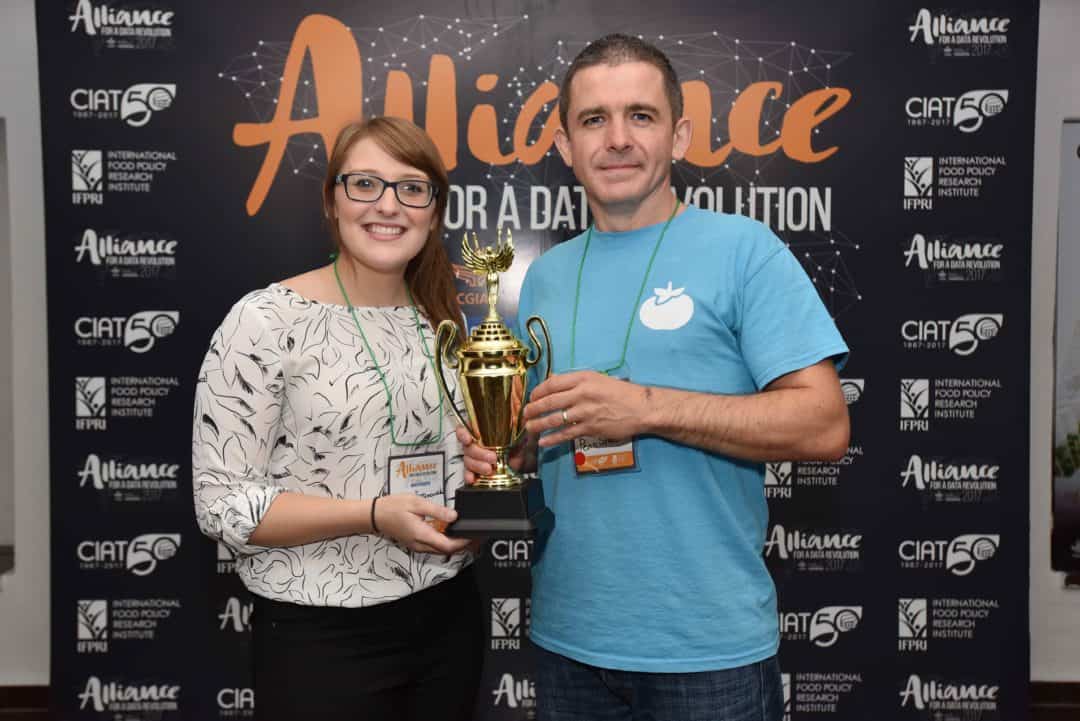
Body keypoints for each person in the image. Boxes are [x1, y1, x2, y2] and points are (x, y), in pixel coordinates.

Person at [459, 34, 850, 721]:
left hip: (708, 651)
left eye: (640, 115)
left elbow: (823, 424)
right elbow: (541, 435)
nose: (617, 139)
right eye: (594, 119)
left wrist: (645, 407)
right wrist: (507, 453)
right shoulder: (545, 276)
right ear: (565, 146)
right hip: (569, 639)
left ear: (680, 135)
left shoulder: (744, 250)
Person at [193, 116, 483, 721]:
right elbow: (220, 504)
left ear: (434, 211)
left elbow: (456, 457)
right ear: (332, 201)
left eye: (411, 188)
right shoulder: (265, 321)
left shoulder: (440, 320)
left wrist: (480, 475)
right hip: (321, 637)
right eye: (365, 184)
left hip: (448, 614)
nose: (388, 205)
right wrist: (371, 515)